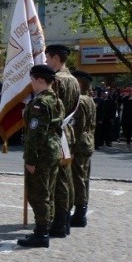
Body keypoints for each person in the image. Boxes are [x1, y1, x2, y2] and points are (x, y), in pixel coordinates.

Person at [17, 64, 63, 248]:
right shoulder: (55, 99)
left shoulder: (40, 102)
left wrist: (30, 159)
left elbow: (36, 134)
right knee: (48, 191)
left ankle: (41, 233)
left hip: (41, 153)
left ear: (40, 80)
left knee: (38, 193)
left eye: (32, 79)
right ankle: (45, 228)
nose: (31, 82)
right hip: (53, 149)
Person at [44, 43, 79, 238]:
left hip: (57, 134)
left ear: (56, 58)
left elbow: (52, 109)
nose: (46, 61)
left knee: (57, 181)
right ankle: (64, 222)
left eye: (48, 57)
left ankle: (57, 223)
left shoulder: (56, 80)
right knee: (67, 179)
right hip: (68, 132)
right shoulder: (73, 79)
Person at [70, 70, 96, 228]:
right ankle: (81, 212)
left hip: (79, 144)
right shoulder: (89, 99)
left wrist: (70, 147)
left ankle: (79, 215)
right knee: (84, 178)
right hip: (87, 142)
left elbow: (77, 126)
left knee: (78, 178)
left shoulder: (80, 100)